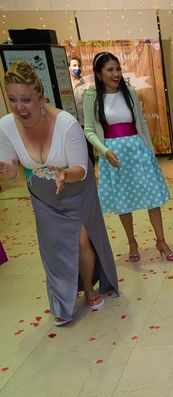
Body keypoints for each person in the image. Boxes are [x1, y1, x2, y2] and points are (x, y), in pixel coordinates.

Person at [0, 61, 118, 326]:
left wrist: (65, 174)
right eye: (12, 100)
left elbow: (82, 170)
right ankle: (62, 302)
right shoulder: (5, 126)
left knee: (81, 241)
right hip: (44, 195)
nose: (19, 107)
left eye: (26, 100)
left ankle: (88, 289)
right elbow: (11, 171)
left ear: (41, 98)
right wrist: (8, 171)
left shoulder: (65, 124)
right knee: (53, 249)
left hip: (77, 188)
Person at [84, 52, 173, 263]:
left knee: (153, 198)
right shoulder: (92, 97)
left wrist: (149, 149)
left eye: (118, 69)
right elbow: (89, 129)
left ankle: (161, 241)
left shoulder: (130, 92)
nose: (116, 74)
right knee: (124, 202)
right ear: (99, 74)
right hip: (113, 155)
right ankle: (132, 242)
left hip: (137, 149)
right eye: (110, 70)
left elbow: (141, 123)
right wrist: (104, 151)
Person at [69, 55, 95, 163]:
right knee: (73, 152)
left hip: (84, 123)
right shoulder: (64, 84)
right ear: (69, 68)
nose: (77, 68)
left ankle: (91, 174)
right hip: (69, 124)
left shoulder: (87, 85)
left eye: (78, 66)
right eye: (74, 65)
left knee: (88, 151)